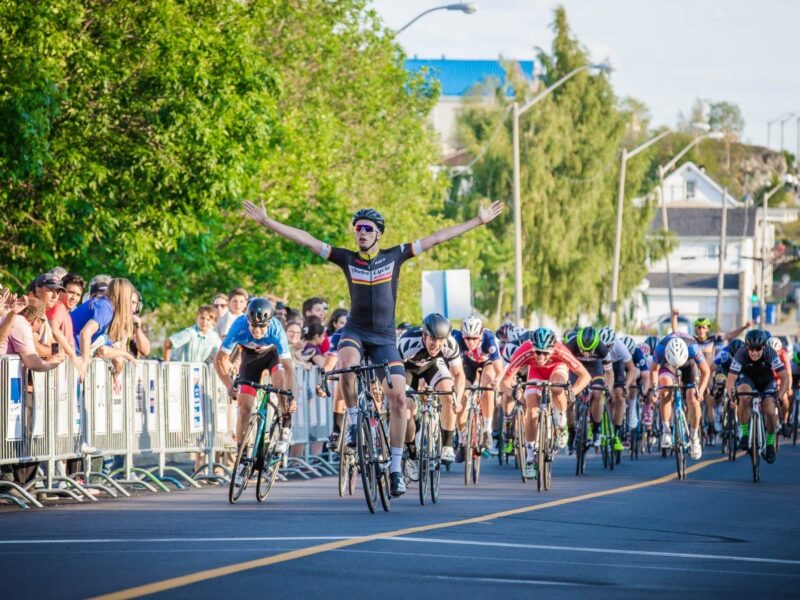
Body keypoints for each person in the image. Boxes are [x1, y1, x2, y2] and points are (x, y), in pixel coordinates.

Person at [242, 198, 503, 496]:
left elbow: (438, 237)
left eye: (367, 228)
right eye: (357, 229)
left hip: (383, 339)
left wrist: (477, 221)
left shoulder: (395, 256)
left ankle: (395, 468)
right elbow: (309, 241)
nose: (361, 233)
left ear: (379, 233)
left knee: (398, 400)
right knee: (346, 365)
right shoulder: (347, 259)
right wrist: (267, 222)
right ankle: (353, 423)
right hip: (355, 331)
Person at [213, 298, 295, 484]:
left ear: (269, 323)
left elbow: (289, 368)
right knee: (244, 407)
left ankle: (286, 425)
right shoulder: (239, 325)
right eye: (254, 326)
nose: (257, 331)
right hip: (250, 359)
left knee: (280, 384)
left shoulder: (276, 328)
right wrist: (229, 386)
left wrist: (290, 397)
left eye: (262, 327)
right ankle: (242, 458)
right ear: (247, 321)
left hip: (272, 356)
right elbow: (219, 360)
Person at [502, 328, 590, 479]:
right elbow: (504, 381)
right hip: (535, 373)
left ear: (552, 349)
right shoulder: (525, 350)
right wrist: (512, 392)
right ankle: (530, 457)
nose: (541, 356)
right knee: (531, 411)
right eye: (537, 352)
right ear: (532, 347)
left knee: (557, 386)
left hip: (556, 370)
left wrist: (572, 392)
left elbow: (585, 376)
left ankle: (561, 422)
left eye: (545, 353)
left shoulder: (561, 350)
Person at [397, 314, 465, 467]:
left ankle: (447, 446)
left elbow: (459, 374)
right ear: (424, 335)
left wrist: (458, 400)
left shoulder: (450, 344)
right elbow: (394, 373)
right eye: (433, 339)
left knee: (449, 395)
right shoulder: (406, 343)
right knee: (407, 409)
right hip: (409, 370)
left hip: (433, 366)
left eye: (441, 340)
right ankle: (412, 452)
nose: (436, 344)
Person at [726, 329, 789, 464]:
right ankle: (744, 434)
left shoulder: (770, 353)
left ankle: (770, 443)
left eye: (758, 349)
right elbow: (731, 379)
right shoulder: (741, 352)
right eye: (751, 349)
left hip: (766, 381)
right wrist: (732, 396)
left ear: (764, 347)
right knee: (742, 394)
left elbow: (784, 377)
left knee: (770, 410)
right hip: (748, 379)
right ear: (746, 347)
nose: (754, 352)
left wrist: (780, 395)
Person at [651, 333, 711, 460]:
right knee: (665, 388)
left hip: (689, 364)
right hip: (668, 365)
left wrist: (700, 390)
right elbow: (654, 370)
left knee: (692, 397)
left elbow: (706, 371)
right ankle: (666, 431)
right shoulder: (660, 348)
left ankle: (694, 438)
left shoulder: (693, 348)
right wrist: (655, 389)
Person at [452, 315, 503, 451]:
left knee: (487, 385)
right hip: (468, 364)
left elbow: (499, 370)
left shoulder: (489, 340)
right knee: (461, 395)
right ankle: (462, 438)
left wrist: (496, 381)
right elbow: (454, 369)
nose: (470, 342)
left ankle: (487, 430)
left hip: (487, 362)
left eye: (474, 338)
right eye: (467, 338)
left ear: (481, 334)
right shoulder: (457, 339)